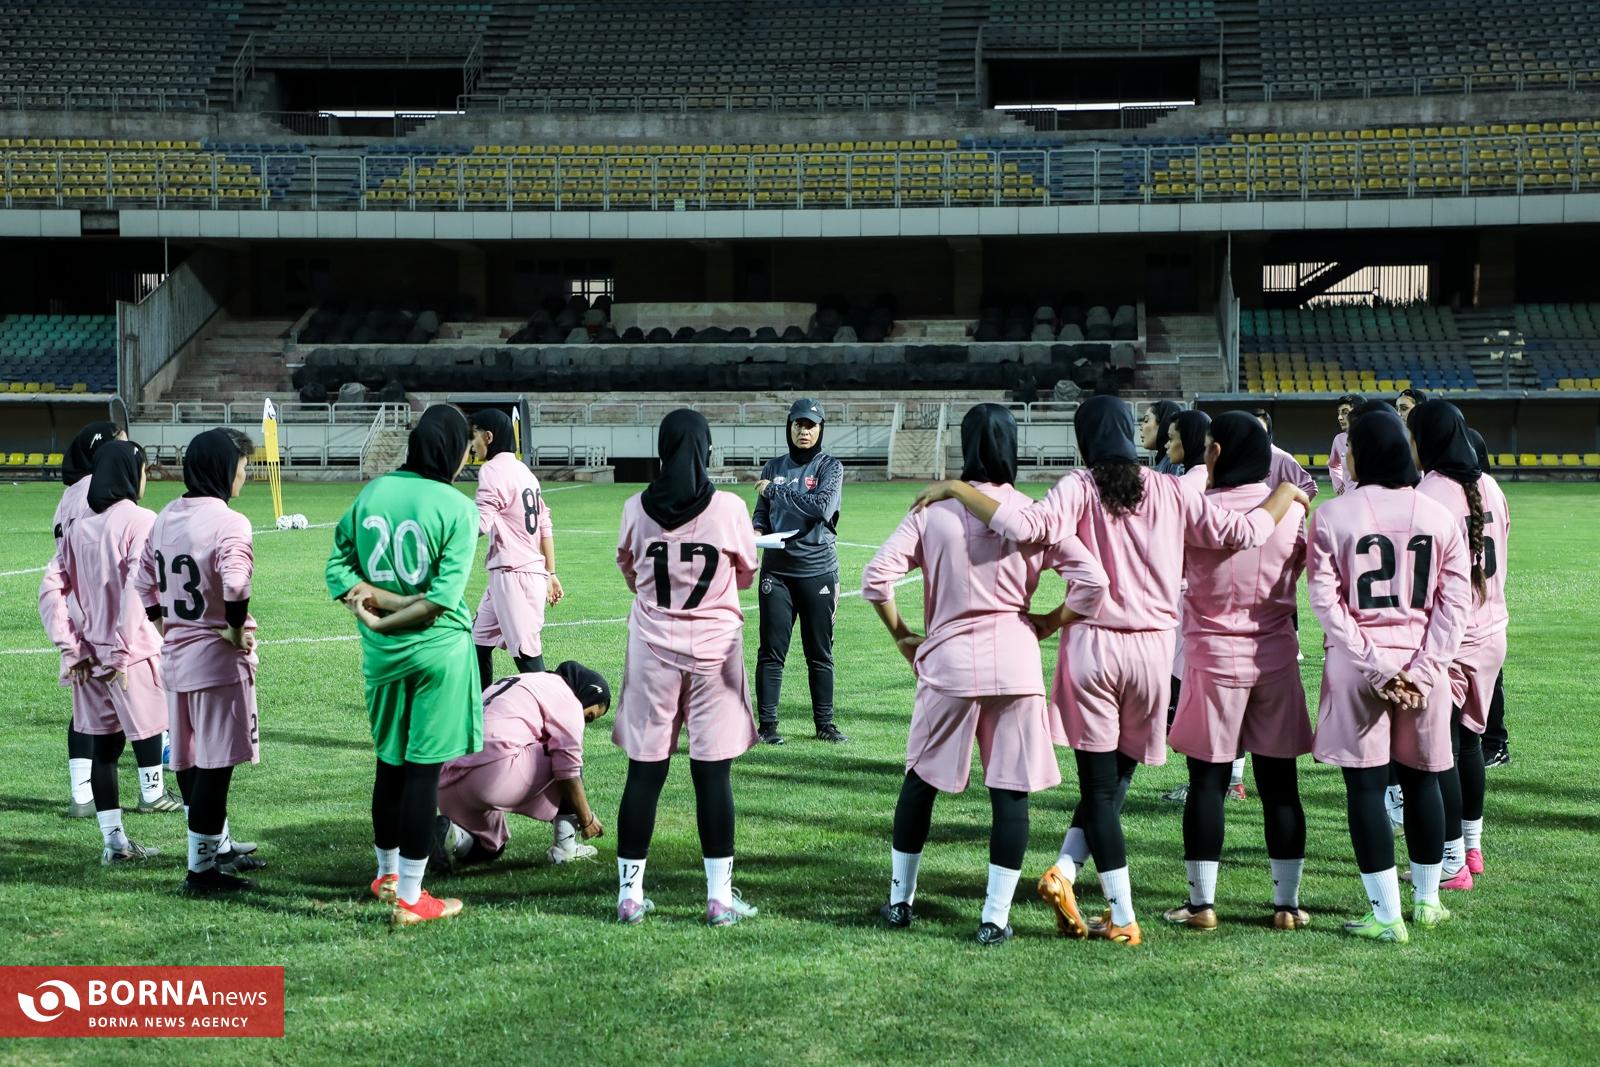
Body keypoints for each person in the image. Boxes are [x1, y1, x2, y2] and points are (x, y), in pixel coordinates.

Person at [911, 396, 1308, 946]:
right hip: (1152, 652)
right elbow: (1240, 533)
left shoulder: (1079, 486)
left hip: (1094, 646)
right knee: (1121, 775)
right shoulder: (1169, 488)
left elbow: (1024, 525)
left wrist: (958, 489)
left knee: (1100, 791)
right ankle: (1079, 879)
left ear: (1084, 441)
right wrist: (1286, 494)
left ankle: (1122, 912)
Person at [862, 404, 1107, 945]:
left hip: (948, 661)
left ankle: (900, 902)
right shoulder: (1034, 514)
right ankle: (994, 918)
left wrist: (903, 635)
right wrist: (1048, 621)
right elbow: (1092, 582)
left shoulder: (934, 509)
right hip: (1015, 660)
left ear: (964, 445)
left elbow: (876, 578)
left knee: (920, 781)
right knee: (1010, 792)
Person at [1307, 408, 1470, 942]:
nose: (1347, 456)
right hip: (1423, 666)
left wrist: (1375, 664)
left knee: (1366, 789)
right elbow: (1455, 604)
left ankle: (1385, 914)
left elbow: (1326, 603)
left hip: (1358, 666)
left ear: (1364, 453)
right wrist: (1425, 669)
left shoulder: (1332, 515)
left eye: (1351, 448)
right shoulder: (1439, 515)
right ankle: (1427, 901)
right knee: (1424, 781)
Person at [327, 404, 484, 926]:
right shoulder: (458, 508)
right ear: (454, 452)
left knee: (389, 765)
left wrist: (372, 608)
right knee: (423, 773)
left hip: (383, 658)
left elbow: (338, 566)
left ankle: (387, 875)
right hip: (438, 652)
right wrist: (391, 616)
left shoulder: (373, 493)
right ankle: (413, 898)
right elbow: (440, 600)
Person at [1162, 413, 1312, 931]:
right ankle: (1287, 905)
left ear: (1218, 452)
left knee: (1207, 783)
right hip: (1275, 655)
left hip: (1212, 658)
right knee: (1281, 785)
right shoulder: (1287, 511)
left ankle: (1201, 903)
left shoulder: (1198, 510)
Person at [613, 409, 761, 926]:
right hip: (715, 650)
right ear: (706, 449)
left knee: (645, 770)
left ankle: (630, 895)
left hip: (651, 648)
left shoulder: (635, 507)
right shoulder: (729, 508)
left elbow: (630, 570)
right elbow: (746, 572)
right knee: (712, 772)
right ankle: (719, 896)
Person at [134, 428, 266, 894]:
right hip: (215, 662)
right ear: (223, 469)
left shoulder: (165, 516)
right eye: (242, 467)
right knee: (215, 767)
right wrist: (234, 628)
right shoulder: (230, 522)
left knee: (190, 763)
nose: (244, 476)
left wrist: (164, 625)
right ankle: (202, 872)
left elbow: (142, 581)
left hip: (176, 658)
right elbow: (236, 583)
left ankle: (208, 859)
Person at [42, 440, 175, 865]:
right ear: (131, 473)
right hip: (131, 655)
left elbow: (50, 591)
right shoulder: (142, 519)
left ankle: (114, 844)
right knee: (183, 747)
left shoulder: (80, 525)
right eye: (145, 470)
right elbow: (138, 588)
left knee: (104, 752)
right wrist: (120, 651)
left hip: (88, 657)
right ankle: (208, 848)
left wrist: (70, 649)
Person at [1409, 400, 1509, 890]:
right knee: (1470, 743)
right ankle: (1472, 848)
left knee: (1440, 751)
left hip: (1450, 638)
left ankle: (1452, 863)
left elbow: (1421, 578)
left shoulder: (1428, 493)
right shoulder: (1490, 485)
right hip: (1491, 631)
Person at [434, 661, 611, 869]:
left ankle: (449, 835)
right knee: (568, 755)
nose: (585, 722)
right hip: (491, 774)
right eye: (589, 716)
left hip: (447, 779)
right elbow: (567, 768)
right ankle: (566, 848)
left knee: (490, 846)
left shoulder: (524, 680)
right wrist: (586, 818)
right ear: (588, 693)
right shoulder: (568, 698)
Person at [40, 420, 125, 817]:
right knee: (128, 701)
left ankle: (80, 794)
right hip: (100, 604)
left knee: (85, 705)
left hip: (73, 606)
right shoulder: (97, 489)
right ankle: (150, 788)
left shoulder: (68, 495)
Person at [752, 398, 846, 744]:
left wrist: (776, 491)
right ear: (789, 427)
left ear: (820, 430)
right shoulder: (773, 466)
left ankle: (825, 725)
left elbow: (820, 508)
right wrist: (757, 530)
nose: (804, 431)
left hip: (818, 570)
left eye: (811, 426)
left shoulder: (830, 467)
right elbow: (762, 512)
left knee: (819, 653)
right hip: (777, 572)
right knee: (771, 651)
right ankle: (767, 726)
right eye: (798, 424)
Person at [468, 407, 563, 689]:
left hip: (514, 576)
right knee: (477, 642)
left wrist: (441, 524)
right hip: (514, 574)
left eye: (474, 436)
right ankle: (481, 707)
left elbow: (480, 524)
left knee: (528, 659)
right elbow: (544, 523)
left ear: (488, 436)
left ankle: (552, 711)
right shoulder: (524, 472)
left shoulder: (492, 470)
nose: (472, 444)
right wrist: (550, 572)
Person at [1466, 429, 1511, 768]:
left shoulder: (1448, 493)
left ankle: (1492, 743)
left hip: (1466, 608)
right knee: (1491, 676)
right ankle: (1495, 743)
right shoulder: (1493, 489)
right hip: (1491, 605)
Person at [1252, 409, 1319, 499]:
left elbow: (1309, 487)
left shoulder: (1282, 458)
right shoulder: (1241, 457)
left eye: (1260, 429)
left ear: (1268, 432)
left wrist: (1289, 506)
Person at [1165, 410, 1212, 495]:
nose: (1166, 445)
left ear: (1188, 439)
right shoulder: (1211, 475)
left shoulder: (1184, 485)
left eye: (1171, 438)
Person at [1327, 393, 1364, 496]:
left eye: (1345, 412)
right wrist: (1338, 485)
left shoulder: (1377, 438)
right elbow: (1333, 465)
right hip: (1348, 499)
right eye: (1339, 413)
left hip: (1373, 500)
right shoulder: (1339, 440)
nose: (1339, 417)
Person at [1142, 400, 1184, 474]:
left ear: (1164, 423)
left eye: (1146, 420)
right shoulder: (1164, 460)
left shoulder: (1175, 462)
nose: (1141, 427)